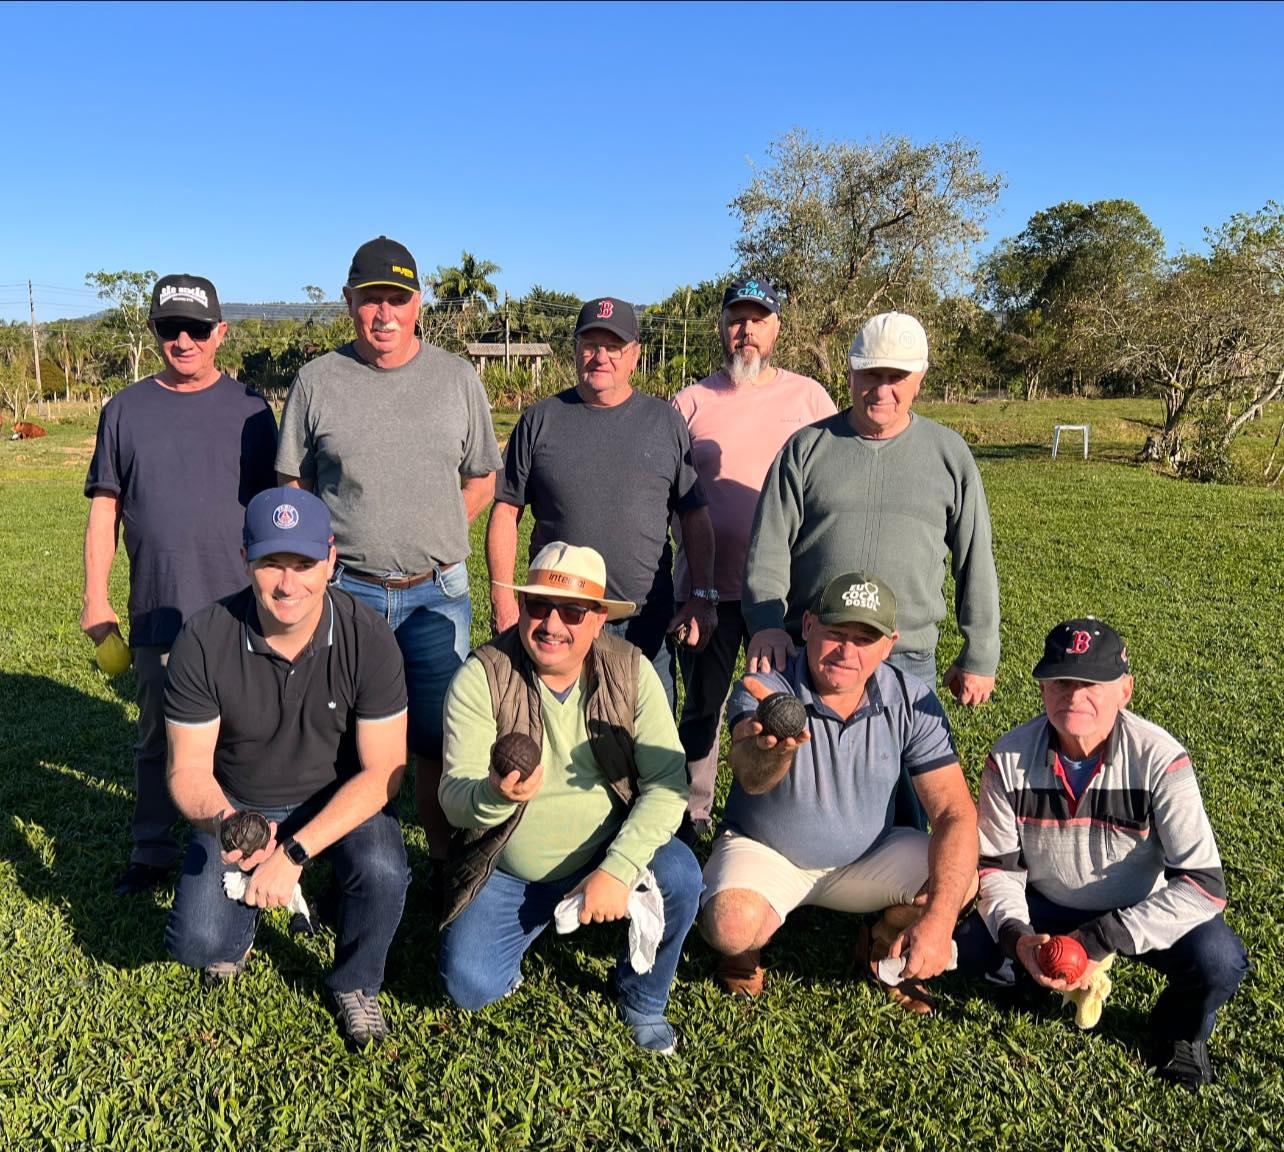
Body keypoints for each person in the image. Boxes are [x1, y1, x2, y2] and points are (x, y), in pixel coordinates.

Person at [276, 236, 502, 885]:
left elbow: (481, 477)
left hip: (438, 591)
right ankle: (334, 865)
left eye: (396, 300)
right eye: (370, 300)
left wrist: (432, 527)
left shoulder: (456, 377)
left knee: (437, 737)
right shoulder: (317, 381)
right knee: (337, 734)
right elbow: (292, 486)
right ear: (350, 303)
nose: (383, 314)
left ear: (418, 304)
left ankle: (439, 862)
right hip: (345, 591)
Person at [163, 487, 411, 1048]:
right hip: (240, 802)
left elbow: (386, 771)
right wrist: (229, 825)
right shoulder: (204, 637)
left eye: (303, 563)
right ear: (246, 556)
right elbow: (186, 772)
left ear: (330, 559)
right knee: (198, 944)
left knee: (384, 871)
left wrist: (294, 852)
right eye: (272, 562)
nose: (288, 582)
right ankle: (238, 930)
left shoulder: (368, 637)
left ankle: (356, 982)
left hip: (334, 797)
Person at [955, 618, 1249, 1090]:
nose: (1074, 695)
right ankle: (1033, 979)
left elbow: (1203, 886)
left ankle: (1178, 1032)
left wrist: (1099, 940)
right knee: (971, 947)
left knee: (1218, 958)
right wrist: (1021, 939)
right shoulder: (1007, 757)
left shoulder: (1160, 758)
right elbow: (997, 870)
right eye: (1061, 681)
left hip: (1133, 905)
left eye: (1093, 683)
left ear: (1125, 690)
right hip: (1045, 902)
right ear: (1043, 688)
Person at [438, 542, 702, 1054]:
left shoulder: (631, 671)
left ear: (599, 619)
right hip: (511, 870)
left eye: (573, 611)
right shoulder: (482, 674)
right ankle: (547, 919)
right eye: (538, 605)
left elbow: (668, 786)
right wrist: (494, 794)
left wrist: (618, 869)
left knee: (681, 875)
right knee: (468, 988)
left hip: (605, 849)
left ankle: (642, 998)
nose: (552, 623)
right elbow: (452, 797)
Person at [699, 571, 978, 1013]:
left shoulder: (910, 697)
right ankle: (742, 958)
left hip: (868, 856)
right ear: (808, 626)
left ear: (890, 645)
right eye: (836, 632)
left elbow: (954, 813)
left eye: (865, 639)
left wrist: (941, 921)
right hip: (771, 852)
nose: (847, 650)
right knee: (731, 925)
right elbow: (751, 776)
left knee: (957, 881)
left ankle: (882, 940)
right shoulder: (767, 688)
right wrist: (773, 751)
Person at [81, 273, 277, 897]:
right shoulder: (125, 410)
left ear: (220, 332)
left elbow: (275, 508)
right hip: (160, 604)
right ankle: (151, 847)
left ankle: (243, 842)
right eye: (171, 328)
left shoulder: (251, 409)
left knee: (244, 735)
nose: (184, 340)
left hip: (239, 607)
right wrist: (95, 596)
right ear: (155, 332)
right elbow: (104, 509)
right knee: (156, 734)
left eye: (197, 328)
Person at [742, 311, 999, 709]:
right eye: (870, 375)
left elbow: (975, 557)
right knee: (805, 766)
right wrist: (767, 626)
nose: (882, 390)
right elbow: (769, 548)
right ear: (850, 373)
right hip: (816, 653)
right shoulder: (806, 448)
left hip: (906, 658)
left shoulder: (949, 454)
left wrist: (980, 650)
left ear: (920, 379)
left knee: (911, 770)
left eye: (896, 378)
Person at [486, 297, 716, 711]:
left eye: (614, 347)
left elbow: (693, 514)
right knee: (554, 741)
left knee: (648, 747)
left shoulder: (665, 423)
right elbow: (505, 511)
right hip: (558, 620)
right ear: (575, 350)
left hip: (646, 622)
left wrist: (701, 595)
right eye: (590, 344)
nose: (600, 357)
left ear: (635, 355)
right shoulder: (540, 420)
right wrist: (503, 599)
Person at [671, 276, 836, 837]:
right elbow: (671, 497)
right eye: (736, 319)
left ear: (776, 329)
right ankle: (692, 813)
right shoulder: (690, 403)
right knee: (704, 708)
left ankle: (771, 813)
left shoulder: (810, 399)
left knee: (784, 708)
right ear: (721, 326)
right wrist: (694, 590)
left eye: (757, 319)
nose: (745, 330)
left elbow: (828, 489)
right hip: (706, 590)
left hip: (787, 595)